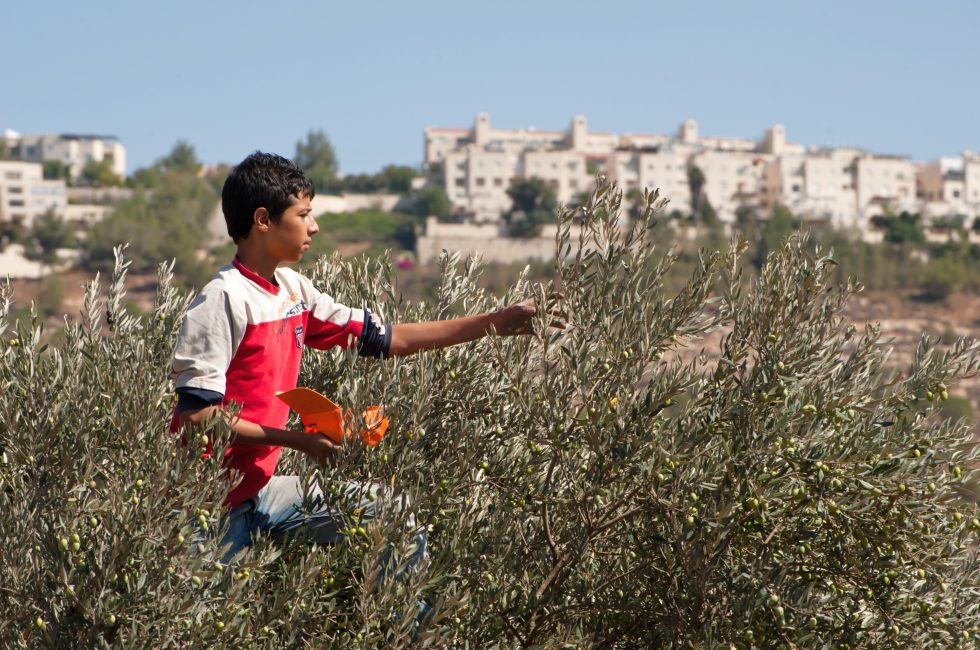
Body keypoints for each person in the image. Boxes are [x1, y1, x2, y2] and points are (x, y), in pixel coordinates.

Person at [170, 151, 544, 566]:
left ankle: (402, 632)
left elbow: (385, 339)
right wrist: (301, 442)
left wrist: (494, 322)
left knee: (393, 514)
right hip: (205, 509)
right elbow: (198, 418)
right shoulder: (222, 298)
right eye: (303, 214)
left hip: (258, 490)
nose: (314, 226)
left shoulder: (293, 290)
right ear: (263, 220)